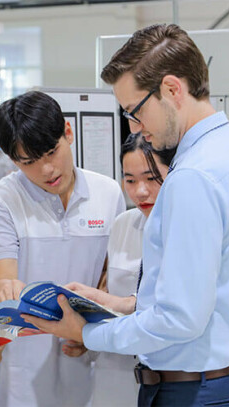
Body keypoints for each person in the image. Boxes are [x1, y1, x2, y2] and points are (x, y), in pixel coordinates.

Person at [22, 24, 229, 407]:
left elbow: (179, 320)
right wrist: (119, 304)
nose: (135, 128)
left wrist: (86, 333)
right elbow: (204, 293)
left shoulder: (193, 176)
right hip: (225, 381)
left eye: (135, 112)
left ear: (172, 90)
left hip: (191, 391)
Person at [0, 90, 125, 407]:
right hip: (22, 373)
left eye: (51, 152)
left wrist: (90, 331)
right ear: (13, 160)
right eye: (29, 162)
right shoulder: (1, 202)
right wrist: (7, 290)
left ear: (68, 133)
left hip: (85, 360)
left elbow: (108, 274)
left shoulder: (108, 193)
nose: (47, 170)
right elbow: (2, 279)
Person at [87, 133, 174, 406]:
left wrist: (123, 304)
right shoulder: (123, 224)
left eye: (151, 178)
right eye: (130, 180)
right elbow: (108, 287)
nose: (140, 192)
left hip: (170, 372)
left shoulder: (186, 228)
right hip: (115, 368)